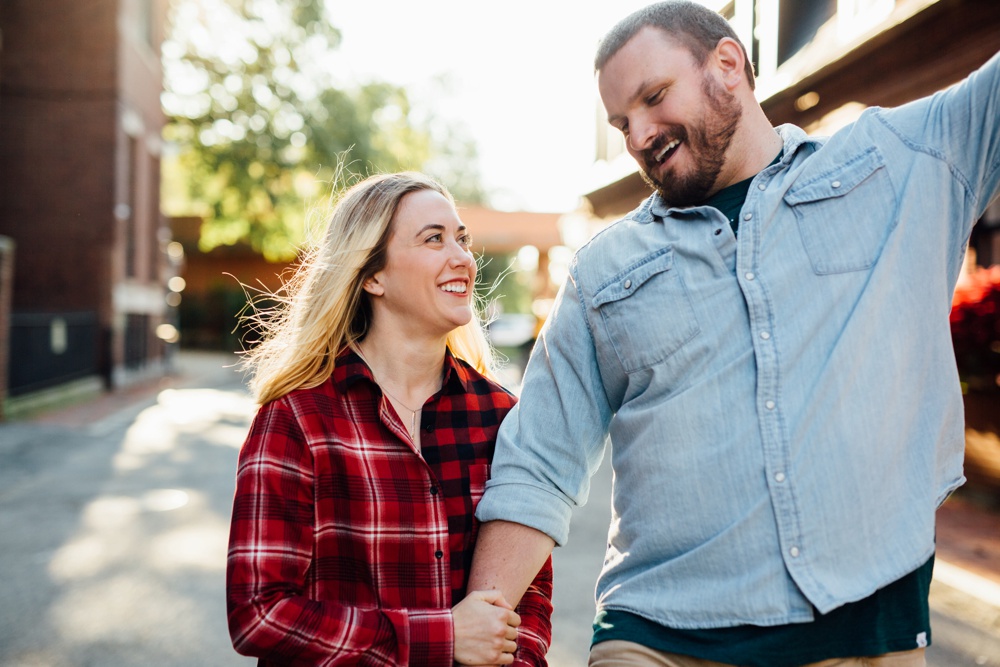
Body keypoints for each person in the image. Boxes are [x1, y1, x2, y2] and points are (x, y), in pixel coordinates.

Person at [469, 2, 1000, 666]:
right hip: (658, 639)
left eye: (653, 97)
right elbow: (538, 461)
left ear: (728, 63)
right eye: (620, 122)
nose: (637, 135)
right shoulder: (604, 270)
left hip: (864, 636)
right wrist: (473, 629)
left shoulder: (899, 160)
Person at [226, 171, 553, 666]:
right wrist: (438, 638)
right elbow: (259, 613)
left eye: (462, 239)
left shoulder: (502, 418)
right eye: (434, 239)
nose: (462, 256)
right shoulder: (297, 418)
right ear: (373, 275)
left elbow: (529, 602)